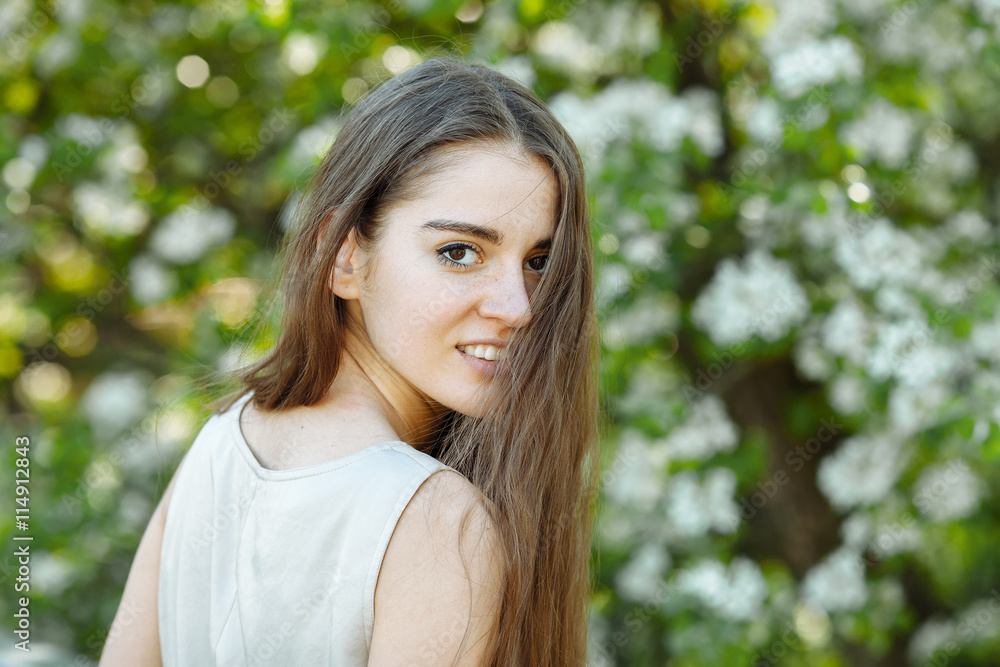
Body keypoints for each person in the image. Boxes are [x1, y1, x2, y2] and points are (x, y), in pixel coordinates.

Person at [99, 56, 600, 666]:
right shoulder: (437, 523)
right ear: (343, 257)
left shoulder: (219, 443)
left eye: (539, 261)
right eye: (460, 252)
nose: (519, 307)